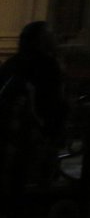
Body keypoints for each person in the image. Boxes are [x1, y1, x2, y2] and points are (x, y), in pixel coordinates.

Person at [0, 21, 68, 196]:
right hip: (34, 131)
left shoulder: (13, 63)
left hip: (10, 132)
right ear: (42, 40)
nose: (56, 39)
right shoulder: (48, 65)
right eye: (51, 35)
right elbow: (54, 102)